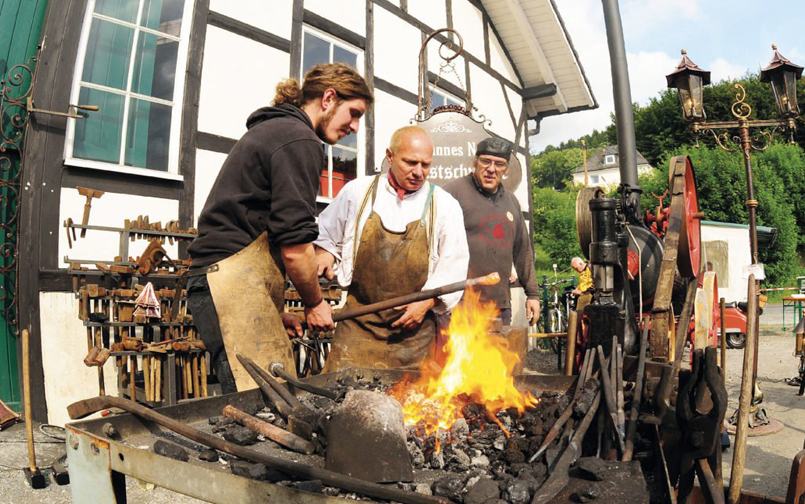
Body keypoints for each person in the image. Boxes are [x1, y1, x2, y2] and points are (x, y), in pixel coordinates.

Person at [186, 63, 373, 393]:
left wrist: (275, 312)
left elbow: (260, 226)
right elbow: (296, 247)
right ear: (329, 98)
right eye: (354, 113)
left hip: (228, 281)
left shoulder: (279, 131)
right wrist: (314, 304)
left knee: (273, 403)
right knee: (264, 408)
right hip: (227, 283)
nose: (355, 127)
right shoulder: (298, 139)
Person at [315, 125, 470, 372]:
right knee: (342, 400)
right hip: (357, 327)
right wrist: (324, 251)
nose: (419, 172)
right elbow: (326, 233)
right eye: (410, 162)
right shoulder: (358, 192)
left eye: (425, 165)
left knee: (416, 405)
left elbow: (454, 264)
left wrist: (428, 302)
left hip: (413, 335)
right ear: (390, 156)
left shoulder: (444, 205)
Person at [443, 137, 540, 326]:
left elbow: (522, 251)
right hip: (460, 304)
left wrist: (533, 294)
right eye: (486, 161)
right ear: (475, 162)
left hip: (500, 305)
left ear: (506, 169)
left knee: (499, 355)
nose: (491, 169)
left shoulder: (511, 201)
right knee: (458, 356)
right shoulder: (452, 194)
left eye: (499, 164)